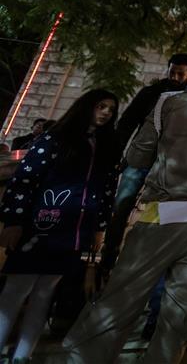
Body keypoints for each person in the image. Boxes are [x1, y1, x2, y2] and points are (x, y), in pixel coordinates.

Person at [64, 61, 187, 364]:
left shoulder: (169, 102)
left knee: (121, 300)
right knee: (180, 313)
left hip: (161, 214)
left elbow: (137, 155)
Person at [0, 90, 119, 363]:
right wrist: (15, 220)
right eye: (101, 106)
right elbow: (26, 177)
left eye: (111, 110)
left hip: (72, 232)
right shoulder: (56, 138)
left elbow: (106, 191)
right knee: (16, 290)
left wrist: (100, 227)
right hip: (41, 225)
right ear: (87, 106)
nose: (105, 113)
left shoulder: (106, 146)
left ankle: (22, 355)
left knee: (44, 294)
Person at [100, 53, 187, 272]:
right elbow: (127, 122)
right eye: (172, 72)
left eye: (181, 73)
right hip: (140, 157)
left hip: (169, 163)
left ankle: (142, 260)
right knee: (122, 204)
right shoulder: (151, 92)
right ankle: (109, 254)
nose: (175, 76)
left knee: (160, 212)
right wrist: (117, 155)